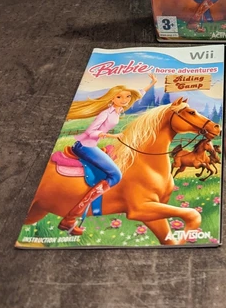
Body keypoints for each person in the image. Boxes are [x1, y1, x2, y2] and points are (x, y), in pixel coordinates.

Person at [58, 74, 157, 235]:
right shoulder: (105, 113)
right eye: (119, 97)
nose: (124, 100)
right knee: (115, 175)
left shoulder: (119, 110)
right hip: (85, 146)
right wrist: (112, 135)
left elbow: (138, 93)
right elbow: (90, 132)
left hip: (91, 145)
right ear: (112, 98)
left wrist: (153, 82)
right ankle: (70, 219)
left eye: (127, 97)